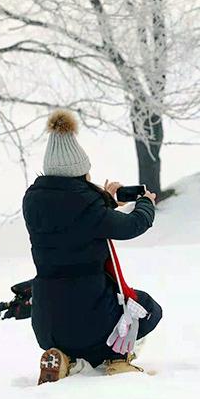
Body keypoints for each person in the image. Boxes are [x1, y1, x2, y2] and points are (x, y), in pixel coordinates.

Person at [23, 110, 162, 383]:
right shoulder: (89, 207)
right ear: (80, 172)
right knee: (145, 308)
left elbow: (70, 222)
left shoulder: (33, 202)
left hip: (47, 322)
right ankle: (118, 358)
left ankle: (64, 358)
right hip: (91, 319)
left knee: (70, 325)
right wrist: (146, 202)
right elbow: (132, 226)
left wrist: (104, 202)